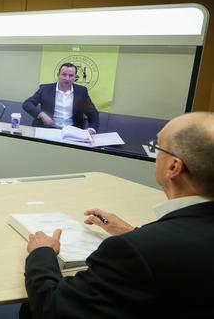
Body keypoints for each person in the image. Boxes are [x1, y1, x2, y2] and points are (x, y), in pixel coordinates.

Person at [21, 112, 214, 319]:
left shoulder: (131, 251)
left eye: (157, 148)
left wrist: (42, 255)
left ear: (173, 167)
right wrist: (134, 233)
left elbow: (53, 308)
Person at [22, 62, 99, 133]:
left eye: (71, 75)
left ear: (75, 77)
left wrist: (91, 129)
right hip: (47, 129)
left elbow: (93, 113)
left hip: (72, 131)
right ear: (58, 75)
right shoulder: (45, 89)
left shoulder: (81, 91)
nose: (67, 78)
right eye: (64, 74)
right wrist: (42, 115)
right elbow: (27, 104)